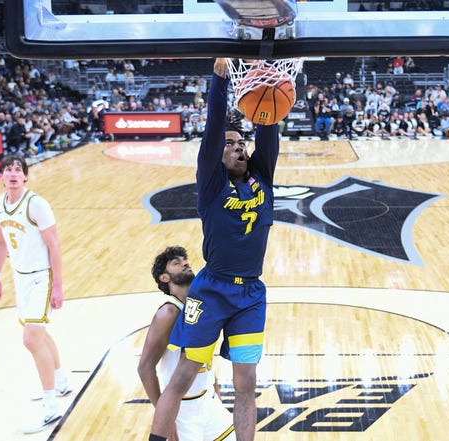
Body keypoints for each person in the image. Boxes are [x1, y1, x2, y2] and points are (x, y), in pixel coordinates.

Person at [149, 58, 280, 441]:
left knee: (246, 381)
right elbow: (211, 132)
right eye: (231, 145)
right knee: (186, 374)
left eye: (243, 144)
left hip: (251, 293)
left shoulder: (262, 178)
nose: (239, 149)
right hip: (213, 289)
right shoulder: (211, 184)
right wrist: (220, 79)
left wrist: (267, 73)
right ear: (217, 155)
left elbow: (268, 126)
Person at [0, 155, 71, 434]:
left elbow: (54, 246)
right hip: (19, 278)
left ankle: (50, 408)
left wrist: (57, 286)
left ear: (25, 176)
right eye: (8, 170)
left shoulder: (36, 204)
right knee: (40, 334)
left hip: (41, 277)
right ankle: (60, 381)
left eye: (18, 170)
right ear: (1, 176)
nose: (13, 174)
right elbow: (0, 242)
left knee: (30, 339)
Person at [139, 246, 235, 441]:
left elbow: (202, 354)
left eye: (185, 260)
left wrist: (215, 391)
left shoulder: (199, 305)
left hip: (209, 403)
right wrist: (166, 417)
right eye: (176, 263)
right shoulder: (168, 313)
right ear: (164, 278)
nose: (185, 263)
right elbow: (145, 368)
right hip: (182, 410)